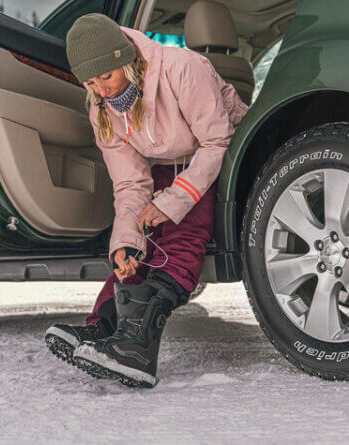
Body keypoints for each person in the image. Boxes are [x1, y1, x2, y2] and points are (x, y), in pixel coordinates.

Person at [44, 13, 248, 388]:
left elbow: (217, 143)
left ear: (125, 58)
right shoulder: (102, 109)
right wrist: (124, 244)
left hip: (229, 154)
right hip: (173, 164)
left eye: (106, 76)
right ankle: (103, 329)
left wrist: (173, 201)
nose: (101, 89)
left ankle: (138, 346)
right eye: (90, 82)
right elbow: (130, 184)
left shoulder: (182, 68)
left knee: (178, 227)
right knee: (139, 243)